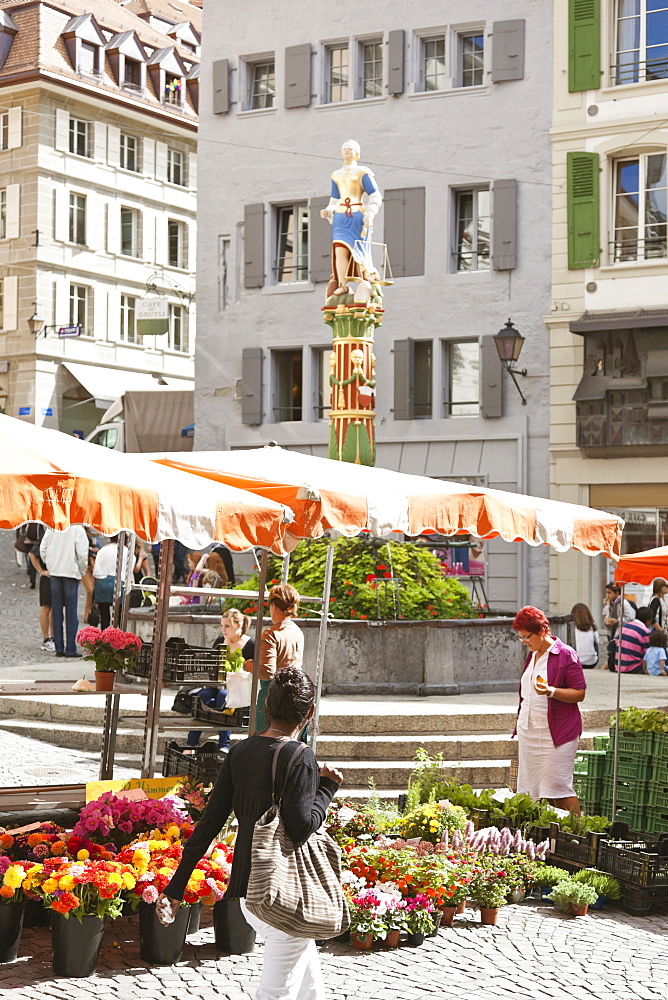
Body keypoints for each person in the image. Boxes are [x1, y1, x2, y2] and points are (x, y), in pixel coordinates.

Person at [157, 668, 343, 1000]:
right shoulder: (300, 758)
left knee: (308, 987)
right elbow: (302, 826)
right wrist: (326, 788)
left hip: (246, 892)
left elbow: (209, 824)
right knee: (275, 993)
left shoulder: (241, 752)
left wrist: (176, 886)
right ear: (310, 713)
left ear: (266, 708)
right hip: (281, 896)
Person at [512, 605, 586, 815]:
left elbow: (579, 693)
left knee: (558, 788)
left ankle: (579, 833)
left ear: (542, 630)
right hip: (529, 731)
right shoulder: (533, 654)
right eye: (522, 638)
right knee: (531, 789)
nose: (525, 642)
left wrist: (552, 691)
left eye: (527, 637)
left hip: (557, 733)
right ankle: (546, 836)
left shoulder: (565, 654)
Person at [320, 139, 382, 296]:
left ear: (357, 153)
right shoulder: (336, 175)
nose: (347, 151)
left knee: (359, 251)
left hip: (356, 216)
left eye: (350, 149)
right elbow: (335, 199)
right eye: (344, 149)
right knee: (340, 250)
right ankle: (343, 284)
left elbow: (375, 194)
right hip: (340, 217)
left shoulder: (362, 172)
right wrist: (328, 210)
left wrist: (371, 212)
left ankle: (365, 280)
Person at [187, 609, 255, 751]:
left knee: (223, 696)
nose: (223, 630)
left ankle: (224, 745)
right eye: (222, 626)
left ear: (238, 625)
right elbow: (211, 666)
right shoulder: (220, 641)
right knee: (203, 696)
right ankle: (191, 743)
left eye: (227, 626)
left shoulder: (251, 645)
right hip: (219, 685)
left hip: (239, 690)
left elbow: (252, 673)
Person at [247, 584, 304, 735]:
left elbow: (267, 673)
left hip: (273, 697)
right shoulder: (297, 631)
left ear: (273, 606)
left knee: (265, 745)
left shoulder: (271, 634)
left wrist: (248, 666)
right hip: (296, 694)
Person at [40, 525, 89, 657]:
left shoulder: (52, 527)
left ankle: (59, 647)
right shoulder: (77, 529)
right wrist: (81, 572)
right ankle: (70, 648)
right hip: (71, 573)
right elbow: (82, 554)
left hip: (55, 572)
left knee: (56, 612)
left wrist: (50, 564)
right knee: (71, 613)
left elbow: (43, 549)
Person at [92, 535, 129, 630]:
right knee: (120, 616)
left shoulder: (102, 550)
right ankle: (119, 637)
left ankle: (105, 638)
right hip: (120, 584)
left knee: (104, 616)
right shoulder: (127, 551)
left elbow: (96, 571)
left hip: (102, 583)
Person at [27, 527, 53, 652]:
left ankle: (53, 637)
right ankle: (47, 638)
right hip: (48, 575)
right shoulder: (47, 535)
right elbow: (32, 554)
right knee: (47, 607)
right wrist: (41, 571)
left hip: (53, 574)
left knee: (54, 608)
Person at [603, 584, 636, 670]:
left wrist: (618, 621)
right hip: (613, 633)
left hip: (621, 633)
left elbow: (631, 618)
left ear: (617, 593)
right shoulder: (611, 604)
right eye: (606, 593)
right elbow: (607, 617)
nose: (607, 595)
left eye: (609, 593)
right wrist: (607, 622)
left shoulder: (623, 603)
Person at [613, 606, 652, 673]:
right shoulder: (645, 632)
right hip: (634, 667)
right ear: (648, 620)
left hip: (619, 666)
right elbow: (648, 653)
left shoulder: (624, 627)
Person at [571, 603, 599, 668]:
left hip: (575, 661)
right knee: (595, 644)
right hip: (591, 662)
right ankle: (591, 655)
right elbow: (597, 640)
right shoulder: (592, 625)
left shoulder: (571, 626)